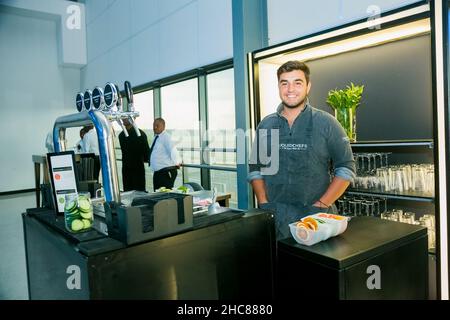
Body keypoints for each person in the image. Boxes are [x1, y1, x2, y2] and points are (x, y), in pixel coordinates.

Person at [248, 60, 356, 240]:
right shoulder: (266, 125)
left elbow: (346, 168)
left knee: (314, 268)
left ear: (308, 87)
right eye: (285, 83)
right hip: (274, 220)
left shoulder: (327, 123)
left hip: (316, 220)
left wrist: (321, 204)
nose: (290, 89)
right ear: (279, 87)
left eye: (297, 83)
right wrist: (263, 201)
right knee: (278, 267)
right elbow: (255, 169)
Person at [149, 118, 181, 191]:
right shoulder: (157, 137)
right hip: (159, 173)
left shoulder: (166, 137)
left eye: (157, 125)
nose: (155, 127)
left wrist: (177, 162)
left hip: (166, 172)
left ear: (163, 126)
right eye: (154, 125)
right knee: (158, 194)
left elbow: (173, 150)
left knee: (165, 196)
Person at [118, 118, 150, 191]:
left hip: (130, 168)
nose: (123, 119)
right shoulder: (140, 134)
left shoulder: (122, 135)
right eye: (123, 118)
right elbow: (146, 153)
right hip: (134, 167)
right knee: (137, 190)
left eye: (125, 118)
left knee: (129, 190)